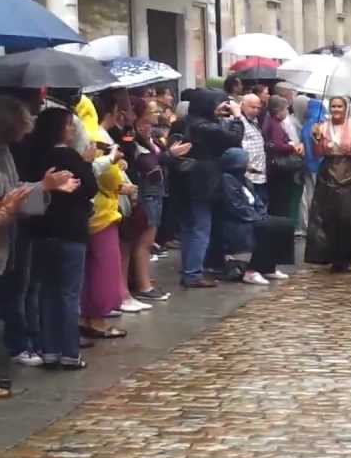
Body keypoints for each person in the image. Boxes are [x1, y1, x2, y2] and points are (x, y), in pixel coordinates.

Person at [0, 98, 76, 391]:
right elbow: (7, 198)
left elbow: (13, 191)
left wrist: (44, 187)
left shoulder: (5, 151)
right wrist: (9, 207)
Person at [27, 108, 97, 370]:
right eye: (68, 125)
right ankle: (69, 351)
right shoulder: (70, 157)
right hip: (70, 231)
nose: (72, 129)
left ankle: (49, 349)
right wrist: (87, 163)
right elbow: (90, 187)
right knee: (68, 293)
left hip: (42, 232)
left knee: (47, 292)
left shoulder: (36, 156)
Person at [179, 90, 244, 288]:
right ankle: (192, 274)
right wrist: (237, 116)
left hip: (187, 179)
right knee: (201, 228)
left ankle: (189, 270)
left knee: (190, 228)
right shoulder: (204, 127)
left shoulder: (189, 122)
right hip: (203, 180)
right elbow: (234, 138)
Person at [126, 99, 189, 303]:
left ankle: (141, 279)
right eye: (151, 113)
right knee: (144, 241)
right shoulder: (132, 139)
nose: (156, 115)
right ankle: (144, 285)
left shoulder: (151, 137)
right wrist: (169, 155)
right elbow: (146, 163)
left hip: (156, 192)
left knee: (146, 241)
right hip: (147, 193)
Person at [218, 148, 294, 285]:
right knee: (264, 228)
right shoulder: (226, 180)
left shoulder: (245, 180)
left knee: (284, 224)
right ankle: (251, 271)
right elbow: (236, 206)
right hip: (237, 221)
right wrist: (256, 218)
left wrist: (262, 215)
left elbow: (258, 202)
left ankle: (268, 267)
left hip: (252, 216)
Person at [304, 96, 351, 272]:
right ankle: (329, 256)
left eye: (339, 106)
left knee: (348, 216)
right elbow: (318, 153)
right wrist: (316, 139)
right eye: (333, 106)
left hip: (350, 172)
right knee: (327, 216)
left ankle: (347, 256)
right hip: (328, 172)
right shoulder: (322, 126)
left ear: (346, 108)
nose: (336, 109)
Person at [81, 144, 133, 339]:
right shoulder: (96, 151)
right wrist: (115, 163)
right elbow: (108, 179)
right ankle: (97, 320)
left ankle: (86, 317)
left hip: (92, 216)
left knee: (90, 271)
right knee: (104, 270)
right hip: (102, 217)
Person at [262, 95, 303, 219]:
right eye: (285, 109)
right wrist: (292, 146)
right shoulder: (275, 125)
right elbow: (278, 145)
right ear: (278, 111)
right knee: (281, 198)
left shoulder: (270, 121)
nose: (287, 112)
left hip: (273, 165)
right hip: (279, 166)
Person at [298, 96, 324, 237]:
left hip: (307, 164)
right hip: (319, 165)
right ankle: (314, 225)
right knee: (316, 196)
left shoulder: (306, 125)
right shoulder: (320, 125)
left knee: (307, 194)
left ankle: (306, 224)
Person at [240, 93, 269, 208]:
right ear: (243, 105)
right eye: (252, 107)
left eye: (258, 108)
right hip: (247, 173)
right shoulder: (239, 121)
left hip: (259, 173)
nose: (256, 110)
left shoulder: (255, 121)